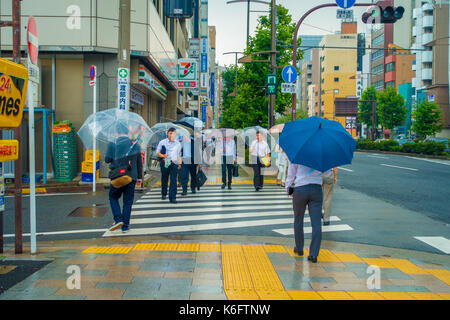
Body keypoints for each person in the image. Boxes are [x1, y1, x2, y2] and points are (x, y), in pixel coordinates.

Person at [286, 163, 332, 263]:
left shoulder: (298, 153)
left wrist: (288, 187)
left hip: (300, 188)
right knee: (316, 223)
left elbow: (291, 173)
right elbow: (328, 174)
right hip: (316, 190)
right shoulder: (321, 155)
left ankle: (299, 248)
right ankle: (314, 254)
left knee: (298, 219)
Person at [105, 126, 143, 233]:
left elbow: (107, 159)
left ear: (117, 132)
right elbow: (139, 162)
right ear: (128, 132)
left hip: (117, 176)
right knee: (128, 201)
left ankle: (118, 219)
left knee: (113, 197)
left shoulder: (113, 143)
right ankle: (125, 226)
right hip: (131, 176)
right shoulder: (134, 144)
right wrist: (140, 177)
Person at [156, 127, 182, 204]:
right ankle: (164, 193)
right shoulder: (162, 142)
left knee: (174, 179)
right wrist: (163, 155)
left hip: (174, 162)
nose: (171, 135)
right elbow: (157, 152)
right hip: (165, 161)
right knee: (164, 178)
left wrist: (180, 163)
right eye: (170, 133)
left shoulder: (178, 143)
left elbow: (179, 154)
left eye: (173, 133)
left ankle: (172, 197)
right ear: (167, 133)